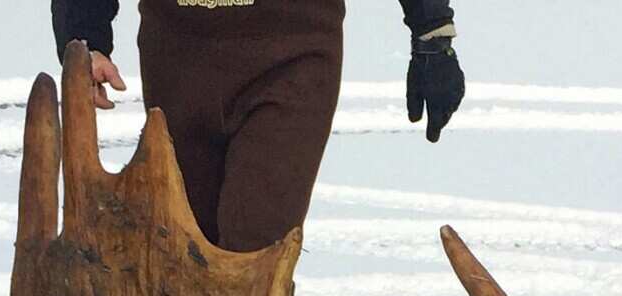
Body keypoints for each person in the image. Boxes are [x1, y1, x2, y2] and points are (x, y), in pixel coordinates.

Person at [51, 0, 465, 251]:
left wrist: (432, 33)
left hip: (292, 53)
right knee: (184, 249)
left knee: (256, 247)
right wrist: (85, 37)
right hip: (177, 59)